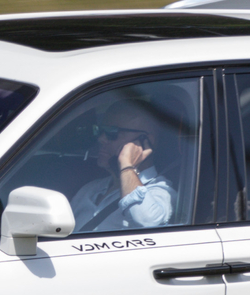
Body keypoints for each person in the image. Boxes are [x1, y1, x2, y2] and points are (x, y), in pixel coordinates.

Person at [70, 99, 177, 231]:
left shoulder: (161, 191)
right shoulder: (90, 189)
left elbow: (146, 222)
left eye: (112, 132)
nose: (101, 139)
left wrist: (127, 166)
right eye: (100, 131)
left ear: (144, 141)